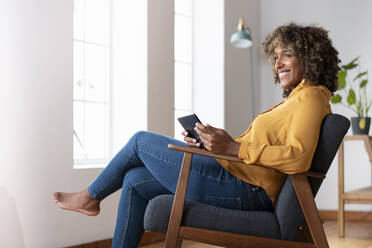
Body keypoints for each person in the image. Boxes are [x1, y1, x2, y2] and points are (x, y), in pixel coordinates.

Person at [53, 23, 340, 248]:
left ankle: (90, 197)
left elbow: (298, 157)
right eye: (275, 57)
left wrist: (233, 147)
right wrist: (213, 145)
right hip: (236, 176)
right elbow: (262, 148)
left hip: (246, 189)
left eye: (286, 54)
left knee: (140, 141)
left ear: (310, 56)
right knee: (134, 180)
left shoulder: (312, 98)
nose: (277, 64)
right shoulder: (296, 99)